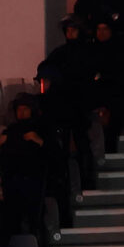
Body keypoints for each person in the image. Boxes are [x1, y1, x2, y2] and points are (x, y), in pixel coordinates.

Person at [41, 15, 100, 190]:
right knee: (62, 148)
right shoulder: (60, 53)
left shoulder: (89, 52)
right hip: (62, 107)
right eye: (68, 30)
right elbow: (44, 67)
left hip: (80, 107)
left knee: (82, 145)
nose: (70, 33)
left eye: (73, 29)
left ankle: (87, 181)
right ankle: (64, 182)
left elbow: (92, 78)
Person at [0, 93, 56, 247]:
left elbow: (54, 155)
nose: (21, 113)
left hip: (34, 184)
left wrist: (39, 141)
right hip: (13, 184)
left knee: (35, 223)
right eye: (19, 110)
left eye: (25, 109)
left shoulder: (42, 128)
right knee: (12, 224)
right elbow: (0, 160)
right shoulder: (11, 130)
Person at [86, 18, 124, 150]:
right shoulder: (90, 51)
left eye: (105, 29)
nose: (101, 33)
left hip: (115, 95)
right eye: (99, 29)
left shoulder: (120, 50)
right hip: (96, 96)